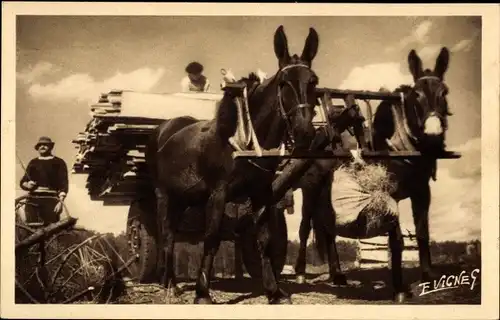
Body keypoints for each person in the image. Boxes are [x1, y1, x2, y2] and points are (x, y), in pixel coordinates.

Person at [19, 136, 69, 225]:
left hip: (51, 200)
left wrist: (60, 202)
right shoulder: (33, 162)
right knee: (31, 228)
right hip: (32, 200)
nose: (42, 146)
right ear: (37, 148)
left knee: (51, 229)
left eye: (45, 145)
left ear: (51, 147)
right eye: (40, 145)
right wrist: (27, 184)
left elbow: (64, 184)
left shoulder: (59, 162)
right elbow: (23, 181)